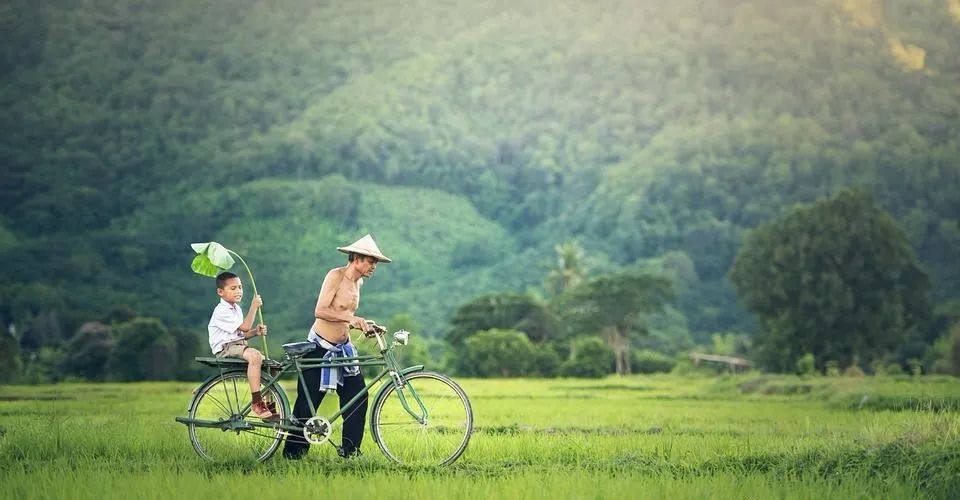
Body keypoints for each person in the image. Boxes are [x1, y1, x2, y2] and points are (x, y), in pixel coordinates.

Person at [283, 234, 391, 459]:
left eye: (376, 263)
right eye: (372, 261)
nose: (374, 266)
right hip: (320, 347)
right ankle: (293, 455)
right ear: (358, 258)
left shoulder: (358, 283)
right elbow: (320, 311)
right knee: (307, 404)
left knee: (358, 396)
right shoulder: (335, 276)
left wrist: (365, 324)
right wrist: (351, 320)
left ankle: (351, 452)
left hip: (344, 348)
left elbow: (346, 315)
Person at [208, 271, 277, 420]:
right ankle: (257, 402)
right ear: (220, 292)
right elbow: (244, 327)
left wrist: (255, 332)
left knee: (272, 367)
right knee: (255, 356)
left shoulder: (236, 309)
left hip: (237, 344)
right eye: (233, 288)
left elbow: (242, 334)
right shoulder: (221, 310)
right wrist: (254, 306)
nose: (238, 291)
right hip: (226, 348)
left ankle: (271, 404)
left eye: (240, 287)